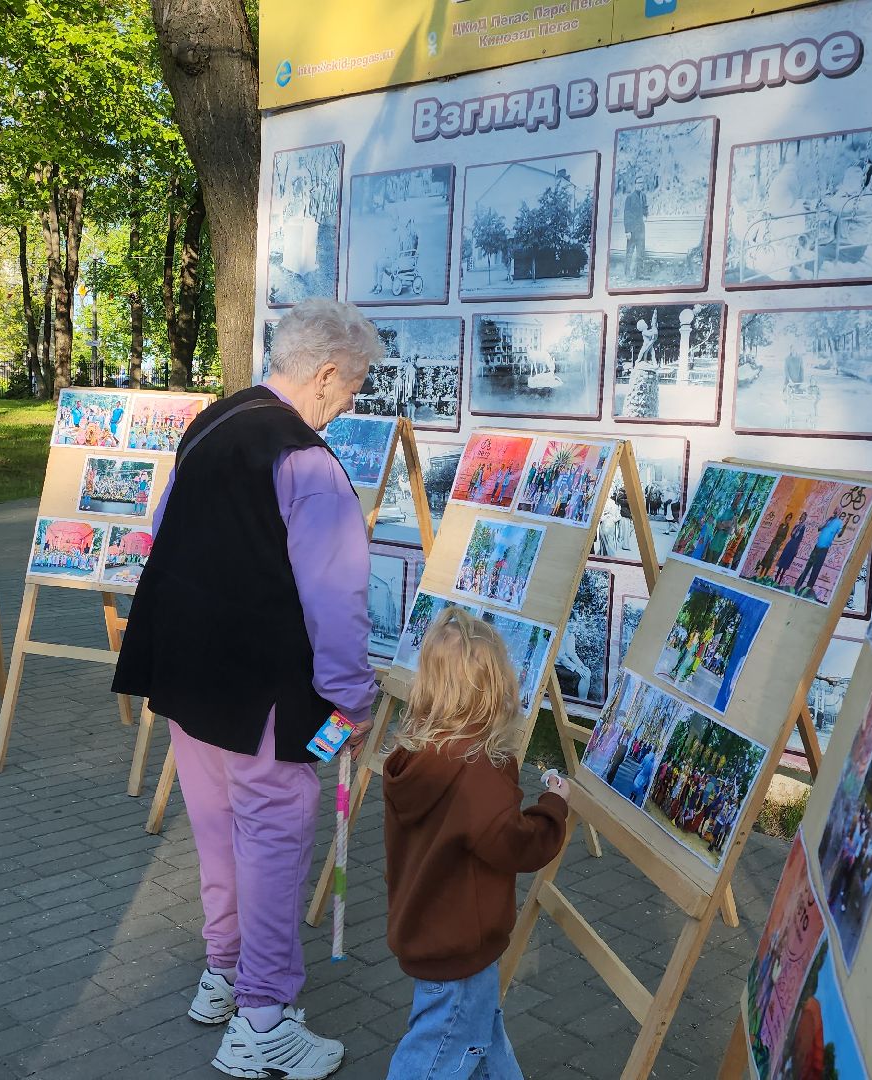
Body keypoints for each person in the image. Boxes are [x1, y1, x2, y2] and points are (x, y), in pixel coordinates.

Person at [112, 298, 383, 1080]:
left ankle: (226, 971)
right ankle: (263, 1020)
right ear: (325, 373)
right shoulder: (309, 463)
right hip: (262, 687)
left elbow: (165, 529)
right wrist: (352, 703)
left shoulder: (211, 424)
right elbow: (337, 601)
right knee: (272, 838)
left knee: (218, 828)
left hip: (186, 672)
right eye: (354, 384)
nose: (352, 401)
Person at [382, 607, 569, 1079]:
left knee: (479, 1036)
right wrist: (554, 805)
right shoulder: (474, 776)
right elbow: (519, 845)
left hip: (430, 930)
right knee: (439, 1052)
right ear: (496, 692)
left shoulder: (415, 757)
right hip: (459, 949)